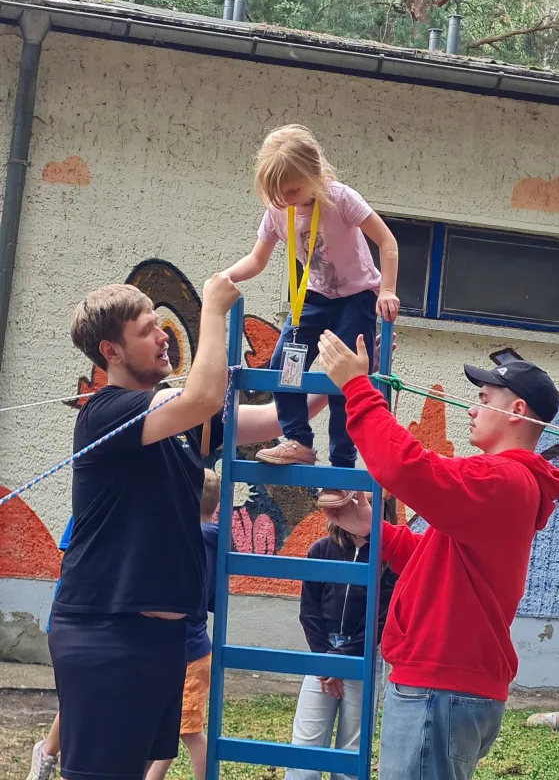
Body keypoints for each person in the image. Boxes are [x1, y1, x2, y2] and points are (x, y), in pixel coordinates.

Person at [48, 275, 338, 780]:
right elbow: (201, 397)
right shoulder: (105, 413)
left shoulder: (178, 423)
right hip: (106, 632)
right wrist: (214, 310)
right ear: (111, 351)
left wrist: (337, 381)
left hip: (162, 639)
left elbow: (274, 418)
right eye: (146, 330)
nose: (162, 335)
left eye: (159, 324)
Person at [316, 330, 559, 780]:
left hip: (440, 684)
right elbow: (437, 560)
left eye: (483, 398)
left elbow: (405, 468)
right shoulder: (504, 483)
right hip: (444, 684)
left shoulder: (501, 479)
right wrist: (372, 528)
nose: (471, 408)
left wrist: (356, 388)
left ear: (516, 410)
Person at [223, 124, 399, 509]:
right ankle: (298, 440)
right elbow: (257, 259)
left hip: (356, 297)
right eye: (276, 193)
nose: (284, 199)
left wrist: (386, 290)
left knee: (344, 379)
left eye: (291, 190)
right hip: (312, 296)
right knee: (284, 364)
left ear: (314, 175)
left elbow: (387, 241)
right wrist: (226, 276)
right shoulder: (278, 211)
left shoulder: (340, 199)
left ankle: (341, 469)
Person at [286, 495, 397, 780]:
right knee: (305, 747)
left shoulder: (388, 561)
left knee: (351, 751)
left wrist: (340, 660)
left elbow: (379, 621)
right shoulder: (321, 550)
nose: (359, 509)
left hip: (363, 656)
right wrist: (327, 662)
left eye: (370, 504)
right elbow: (309, 611)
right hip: (322, 653)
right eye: (354, 502)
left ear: (383, 510)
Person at [146, 469, 220, 780]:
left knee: (189, 730)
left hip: (187, 648)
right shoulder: (217, 544)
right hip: (190, 645)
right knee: (172, 725)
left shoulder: (186, 540)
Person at [26, 518, 73, 780]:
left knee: (81, 697)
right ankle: (48, 754)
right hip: (75, 618)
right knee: (78, 696)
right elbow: (68, 559)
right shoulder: (90, 505)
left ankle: (47, 752)